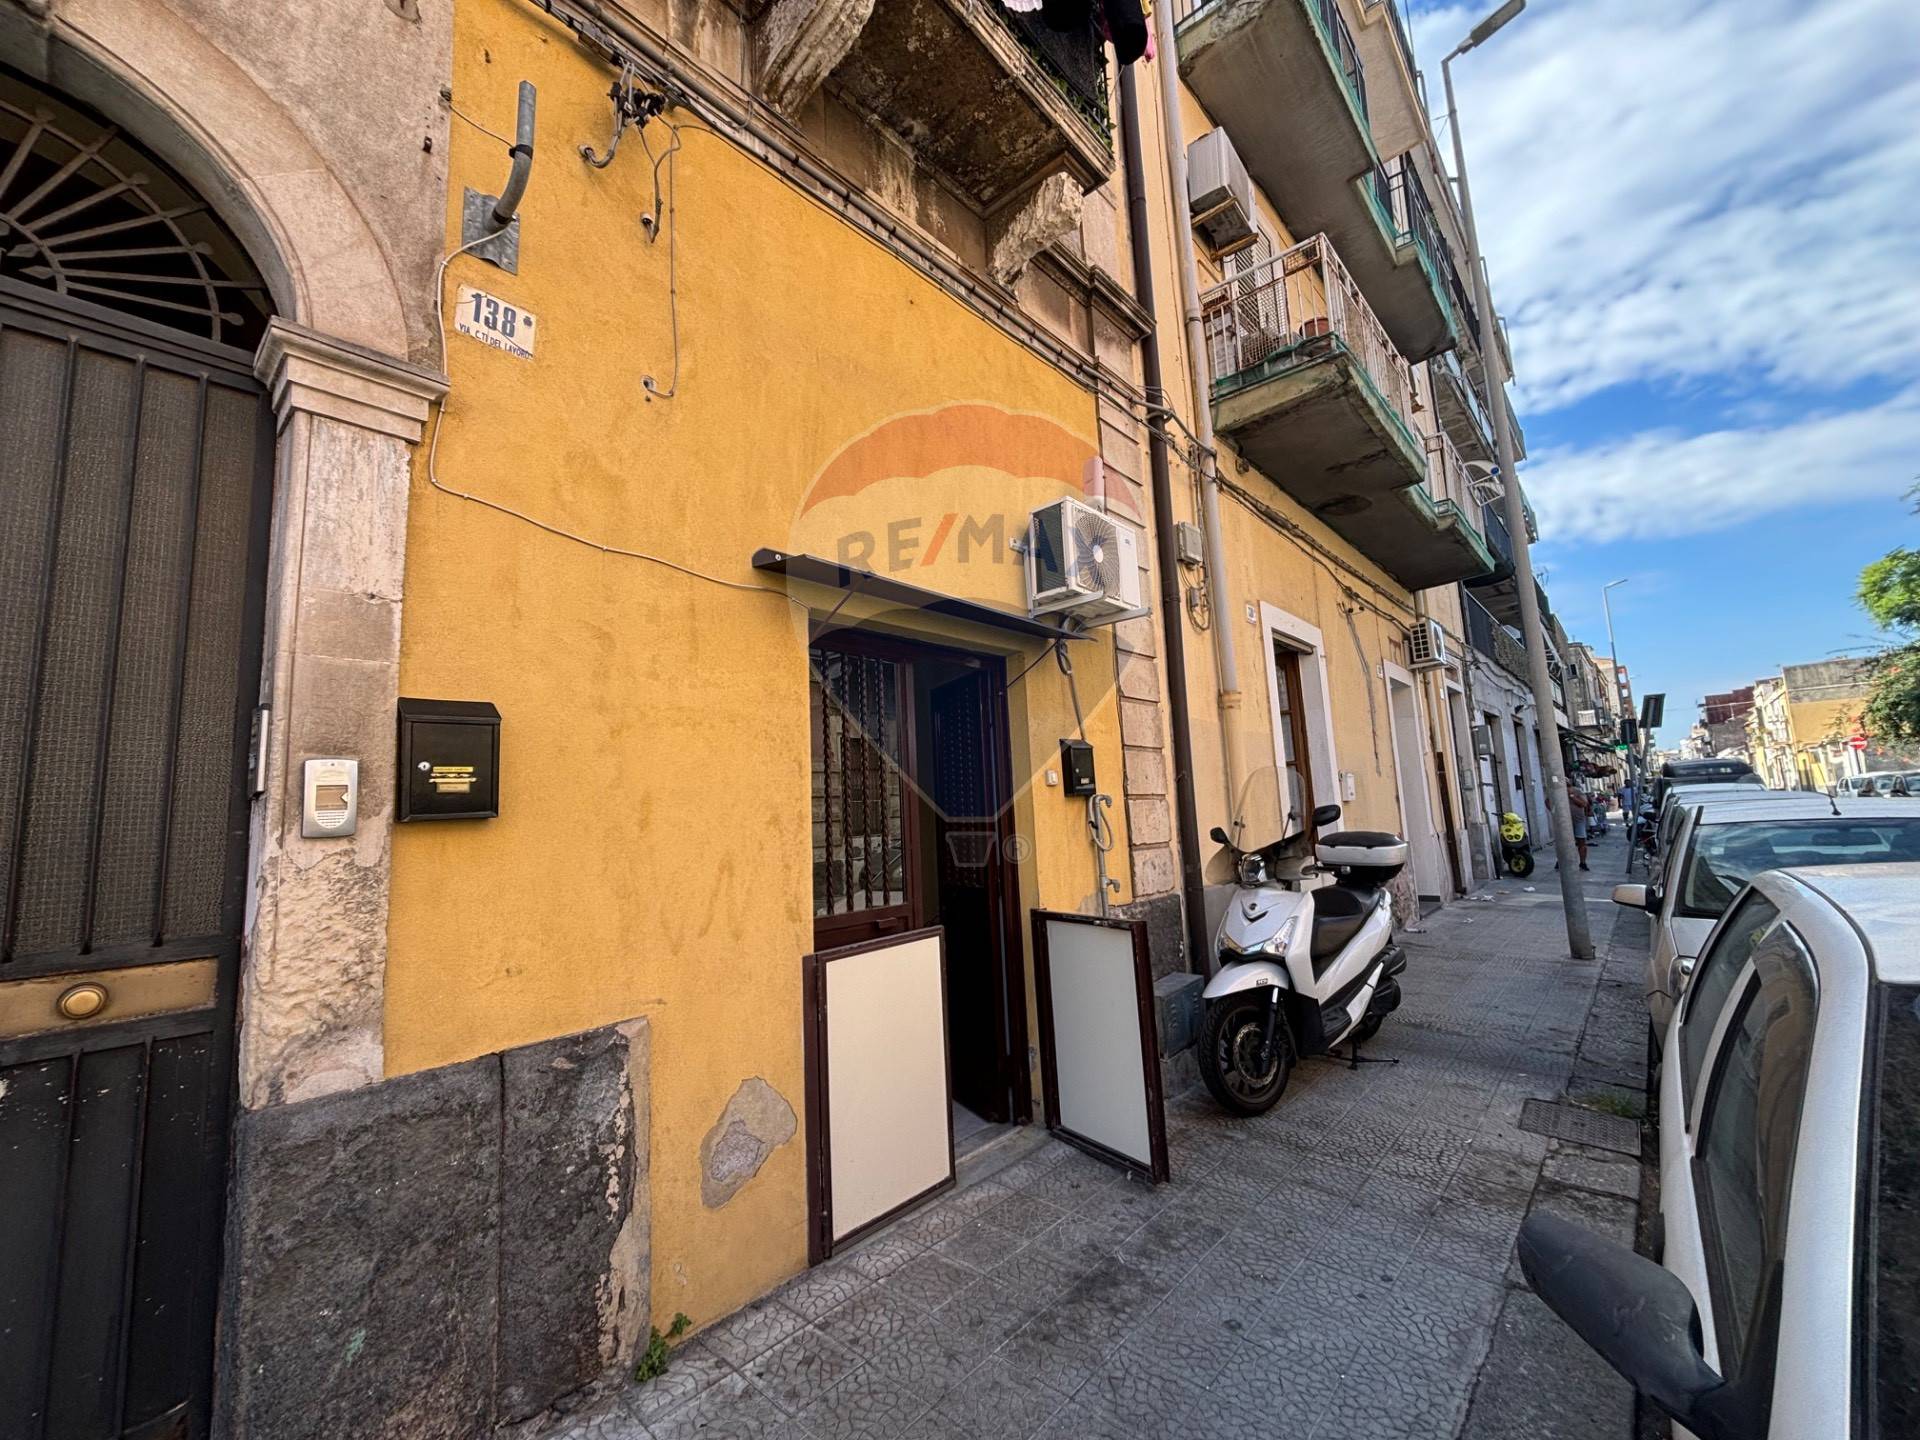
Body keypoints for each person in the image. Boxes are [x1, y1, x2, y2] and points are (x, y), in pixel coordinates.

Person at [1566, 781, 1590, 870]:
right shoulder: (1557, 792)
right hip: (1564, 822)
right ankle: (1561, 861)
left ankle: (1583, 862)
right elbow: (1547, 801)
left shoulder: (1577, 791)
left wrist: (1572, 796)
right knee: (1564, 842)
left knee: (1581, 842)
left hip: (1578, 820)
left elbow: (1584, 804)